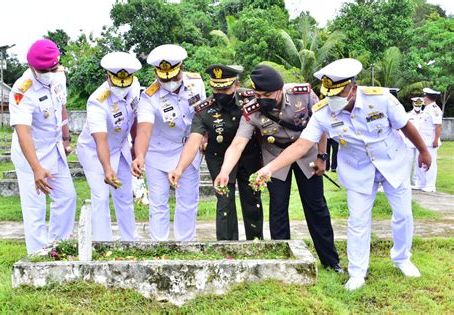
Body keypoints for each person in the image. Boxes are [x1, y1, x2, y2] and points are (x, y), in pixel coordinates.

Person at [254, 58, 432, 291]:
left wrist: (424, 151)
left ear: (353, 89)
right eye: (329, 95)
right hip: (358, 169)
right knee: (357, 220)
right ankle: (357, 272)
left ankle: (402, 259)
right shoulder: (323, 113)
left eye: (338, 94)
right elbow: (300, 146)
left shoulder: (380, 98)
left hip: (392, 162)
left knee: (403, 215)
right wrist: (269, 168)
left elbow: (405, 126)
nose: (333, 100)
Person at [214, 64, 341, 271]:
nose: (262, 98)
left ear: (280, 90)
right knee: (278, 207)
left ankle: (330, 261)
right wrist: (225, 171)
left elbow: (322, 124)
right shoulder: (251, 111)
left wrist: (322, 155)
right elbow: (238, 143)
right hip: (274, 157)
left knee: (316, 206)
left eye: (268, 94)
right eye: (258, 93)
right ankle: (284, 260)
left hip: (306, 153)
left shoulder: (304, 94)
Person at [168, 64, 264, 240]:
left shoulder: (250, 99)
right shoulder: (203, 110)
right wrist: (179, 169)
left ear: (237, 85)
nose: (220, 93)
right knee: (224, 202)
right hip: (218, 157)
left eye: (226, 88)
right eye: (216, 88)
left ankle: (256, 243)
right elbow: (194, 141)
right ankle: (227, 249)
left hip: (249, 155)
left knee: (252, 199)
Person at [132, 44, 206, 241]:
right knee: (158, 202)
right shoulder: (149, 97)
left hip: (188, 149)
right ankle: (159, 245)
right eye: (164, 78)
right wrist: (139, 155)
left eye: (173, 76)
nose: (169, 81)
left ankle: (185, 243)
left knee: (188, 200)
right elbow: (144, 131)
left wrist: (204, 138)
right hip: (158, 152)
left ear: (180, 68)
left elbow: (202, 115)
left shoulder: (196, 83)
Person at [9, 39, 76, 254]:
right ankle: (38, 257)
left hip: (54, 148)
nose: (48, 73)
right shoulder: (21, 90)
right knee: (35, 208)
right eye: (43, 70)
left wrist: (66, 139)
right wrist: (36, 168)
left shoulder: (59, 76)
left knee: (67, 197)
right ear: (31, 67)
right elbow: (23, 132)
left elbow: (62, 105)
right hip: (31, 153)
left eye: (52, 68)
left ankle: (58, 247)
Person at [76, 52, 141, 241]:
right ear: (107, 78)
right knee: (101, 197)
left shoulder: (134, 86)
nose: (122, 88)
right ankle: (102, 242)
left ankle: (130, 240)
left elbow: (135, 119)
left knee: (124, 196)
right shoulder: (97, 101)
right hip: (95, 153)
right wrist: (106, 168)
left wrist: (136, 149)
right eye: (116, 82)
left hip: (120, 148)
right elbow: (101, 140)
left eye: (126, 82)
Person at [412, 88, 443, 192]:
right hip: (422, 141)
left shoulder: (435, 109)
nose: (423, 99)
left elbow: (438, 126)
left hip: (430, 142)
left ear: (427, 97)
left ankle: (430, 185)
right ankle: (420, 183)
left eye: (424, 96)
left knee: (430, 163)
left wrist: (436, 140)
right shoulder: (427, 108)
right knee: (419, 162)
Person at [406, 97, 424, 186]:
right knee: (408, 162)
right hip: (409, 142)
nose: (417, 106)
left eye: (419, 104)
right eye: (416, 104)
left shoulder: (425, 115)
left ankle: (416, 182)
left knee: (418, 162)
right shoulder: (408, 115)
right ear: (413, 103)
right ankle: (406, 181)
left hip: (420, 142)